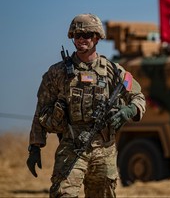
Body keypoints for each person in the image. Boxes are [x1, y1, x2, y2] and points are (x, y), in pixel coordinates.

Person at [26, 13, 146, 198]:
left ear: (97, 37)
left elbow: (138, 97)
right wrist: (35, 146)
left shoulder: (113, 71)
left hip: (104, 149)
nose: (81, 39)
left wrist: (128, 110)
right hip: (72, 146)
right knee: (63, 194)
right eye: (77, 35)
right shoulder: (57, 72)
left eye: (87, 35)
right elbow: (41, 108)